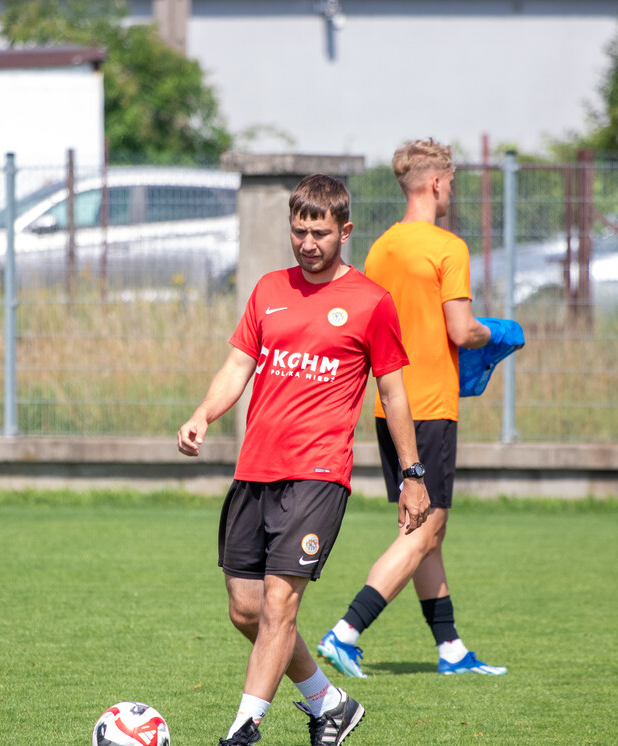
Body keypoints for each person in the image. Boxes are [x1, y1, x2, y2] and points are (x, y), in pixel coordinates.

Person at [178, 174, 431, 746]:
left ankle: (244, 728)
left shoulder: (371, 302)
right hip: (255, 470)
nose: (308, 243)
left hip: (318, 474)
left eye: (319, 232)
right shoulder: (268, 289)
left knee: (278, 602)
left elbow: (393, 394)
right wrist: (203, 414)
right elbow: (238, 366)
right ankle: (329, 702)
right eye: (299, 231)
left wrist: (412, 474)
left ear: (344, 231)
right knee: (245, 609)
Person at [317, 138, 509, 679]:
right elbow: (461, 329)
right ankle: (345, 633)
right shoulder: (449, 248)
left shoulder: (380, 248)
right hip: (430, 405)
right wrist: (501, 332)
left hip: (390, 406)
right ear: (437, 182)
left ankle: (450, 650)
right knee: (422, 529)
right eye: (452, 180)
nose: (452, 190)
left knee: (428, 530)